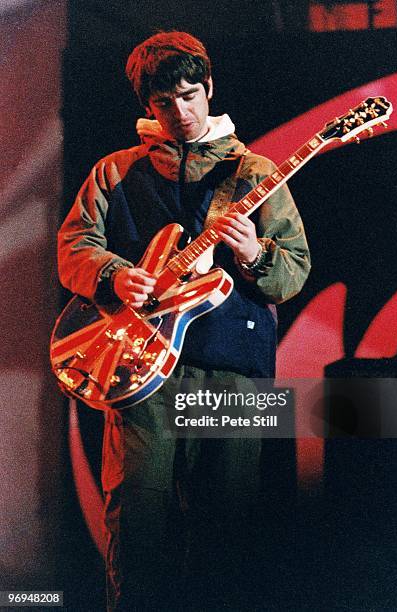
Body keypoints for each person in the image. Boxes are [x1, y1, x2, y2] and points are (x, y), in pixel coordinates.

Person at [58, 31, 310, 612]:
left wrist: (254, 255)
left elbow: (294, 271)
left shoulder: (254, 173)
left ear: (209, 88)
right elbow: (74, 245)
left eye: (190, 96)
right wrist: (116, 276)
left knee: (229, 526)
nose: (182, 112)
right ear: (147, 108)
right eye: (165, 103)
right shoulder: (115, 172)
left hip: (234, 373)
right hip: (142, 373)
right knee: (137, 523)